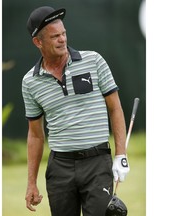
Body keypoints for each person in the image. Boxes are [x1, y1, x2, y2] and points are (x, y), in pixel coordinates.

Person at [22, 6, 130, 216]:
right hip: (59, 167)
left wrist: (121, 154)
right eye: (55, 36)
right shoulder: (30, 82)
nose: (62, 39)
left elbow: (115, 108)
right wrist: (31, 183)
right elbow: (35, 135)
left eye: (63, 33)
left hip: (97, 163)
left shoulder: (94, 60)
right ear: (38, 42)